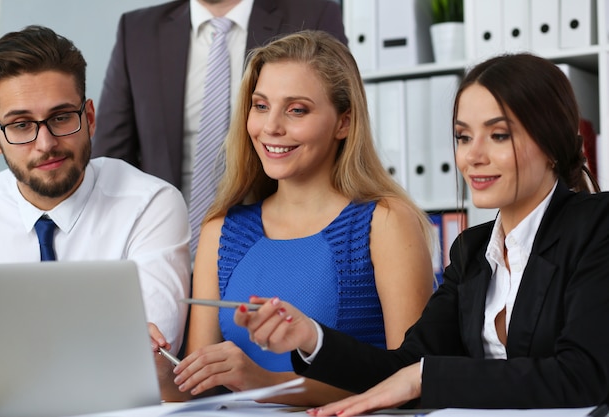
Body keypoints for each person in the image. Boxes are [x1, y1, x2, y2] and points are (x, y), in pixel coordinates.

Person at [234, 52, 609, 414]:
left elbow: (582, 375)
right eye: (463, 137)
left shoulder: (597, 225)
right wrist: (310, 337)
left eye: (498, 136)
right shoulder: (471, 250)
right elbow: (405, 366)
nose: (472, 156)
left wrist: (425, 378)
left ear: (551, 144)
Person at [149, 30, 435, 406]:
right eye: (261, 106)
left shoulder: (385, 221)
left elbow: (410, 378)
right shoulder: (222, 229)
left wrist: (262, 382)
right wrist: (158, 370)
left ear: (344, 123)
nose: (271, 127)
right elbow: (204, 387)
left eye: (296, 109)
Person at [0, 25, 191, 355]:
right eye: (21, 125)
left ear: (90, 117)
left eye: (62, 118)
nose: (46, 144)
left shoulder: (150, 204)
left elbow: (153, 355)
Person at [90, 0, 348, 262]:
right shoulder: (138, 30)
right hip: (159, 254)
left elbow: (336, 129)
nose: (271, 124)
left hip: (271, 253)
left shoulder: (312, 14)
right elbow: (113, 164)